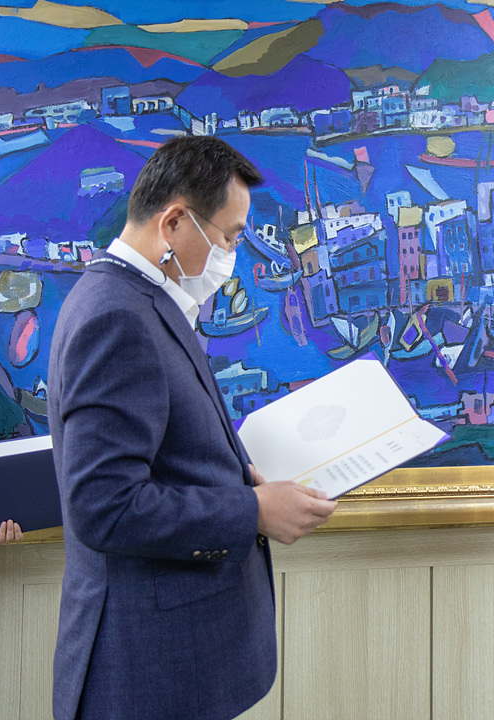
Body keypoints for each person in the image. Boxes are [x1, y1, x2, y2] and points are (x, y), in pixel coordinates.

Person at [48, 136, 338, 720]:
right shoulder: (116, 318)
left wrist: (240, 474)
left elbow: (164, 450)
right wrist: (251, 511)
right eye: (229, 237)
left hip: (173, 661)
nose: (233, 256)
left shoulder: (137, 298)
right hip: (145, 671)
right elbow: (104, 506)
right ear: (175, 222)